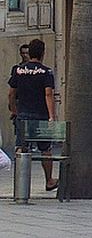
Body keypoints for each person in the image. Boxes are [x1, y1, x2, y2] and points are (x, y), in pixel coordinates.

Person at [9, 39, 58, 191]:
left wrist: (14, 110)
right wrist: (51, 116)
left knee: (21, 147)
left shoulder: (19, 70)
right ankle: (49, 180)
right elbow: (48, 94)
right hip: (41, 115)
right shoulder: (46, 72)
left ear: (29, 53)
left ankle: (19, 182)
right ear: (43, 53)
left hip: (23, 114)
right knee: (45, 149)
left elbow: (11, 93)